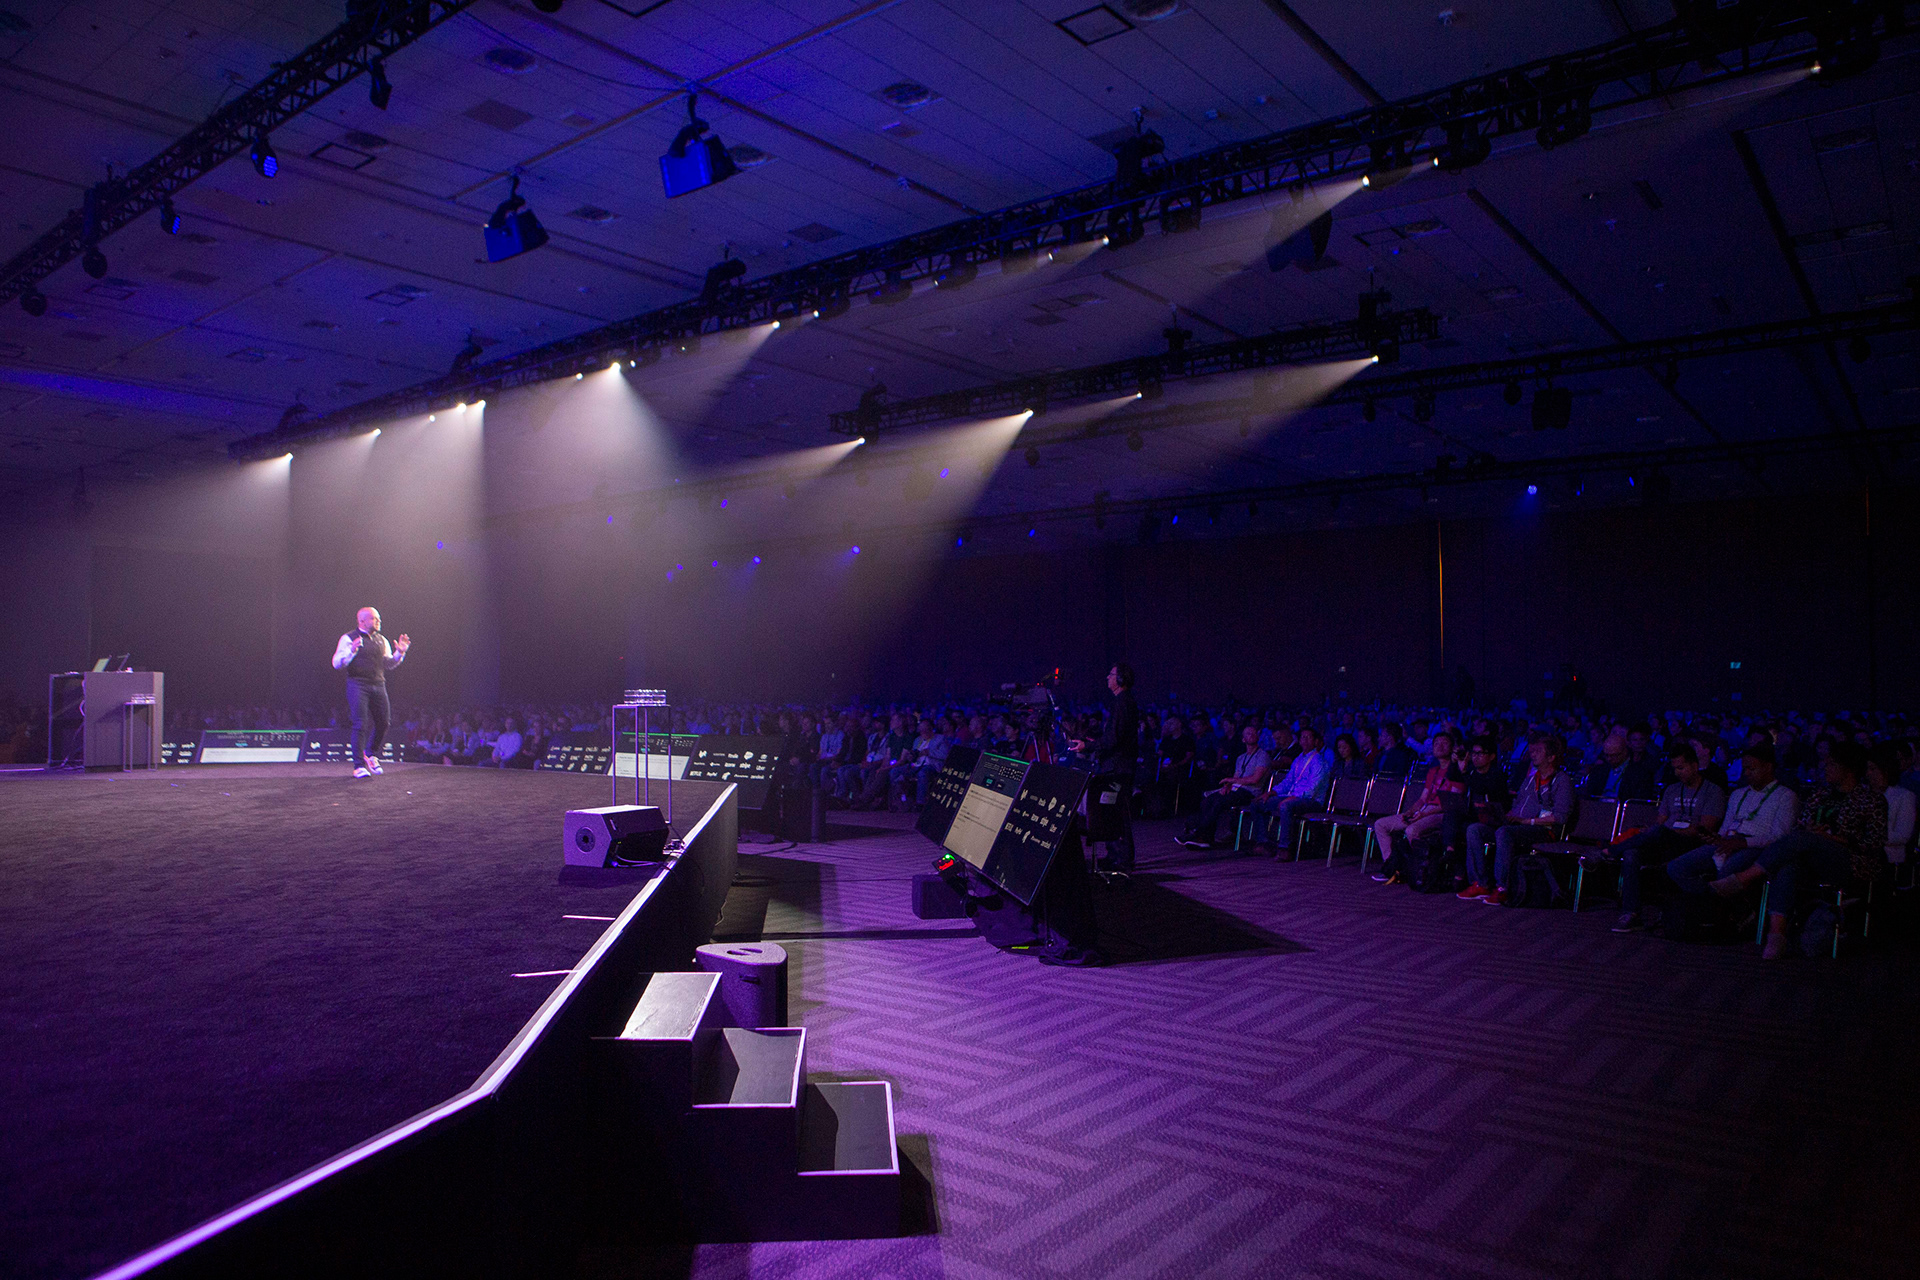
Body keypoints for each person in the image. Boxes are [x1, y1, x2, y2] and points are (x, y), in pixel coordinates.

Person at [1706, 741, 1886, 959]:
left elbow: (1873, 844)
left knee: (1802, 840)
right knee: (1788, 862)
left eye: (1831, 764)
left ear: (1847, 768)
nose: (1825, 768)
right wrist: (1812, 834)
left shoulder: (1871, 800)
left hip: (1850, 861)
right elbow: (1800, 827)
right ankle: (1776, 935)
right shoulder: (1820, 795)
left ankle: (1744, 878)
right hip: (1810, 857)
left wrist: (1830, 837)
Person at [1608, 743, 1726, 932]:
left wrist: (1664, 831)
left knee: (1658, 832)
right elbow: (1660, 821)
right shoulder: (1671, 790)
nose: (1677, 772)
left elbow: (1705, 829)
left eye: (1681, 768)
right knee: (1632, 853)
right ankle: (1631, 913)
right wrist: (1656, 831)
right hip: (1663, 841)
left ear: (1695, 766)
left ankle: (1610, 851)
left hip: (1691, 844)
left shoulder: (1713, 791)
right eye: (1674, 768)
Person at [1471, 736, 1575, 907]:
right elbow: (1518, 806)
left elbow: (1560, 817)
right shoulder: (1530, 780)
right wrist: (1502, 816)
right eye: (1532, 751)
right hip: (1518, 825)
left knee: (1504, 833)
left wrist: (1528, 821)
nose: (1532, 755)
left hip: (1543, 830)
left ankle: (1502, 888)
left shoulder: (1561, 781)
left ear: (1551, 757)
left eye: (1538, 751)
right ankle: (1481, 883)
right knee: (1475, 829)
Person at [1070, 663, 1140, 873]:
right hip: (1118, 765)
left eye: (1111, 674)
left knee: (1118, 813)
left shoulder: (1122, 703)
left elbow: (1114, 739)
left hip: (1118, 767)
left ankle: (1124, 859)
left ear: (1120, 679)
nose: (1107, 678)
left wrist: (1088, 745)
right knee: (1113, 812)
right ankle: (1115, 856)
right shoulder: (1123, 702)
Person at [1370, 729, 1463, 884]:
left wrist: (1422, 814)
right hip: (1423, 811)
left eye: (1444, 743)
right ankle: (1393, 867)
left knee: (1411, 830)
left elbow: (1449, 804)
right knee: (1381, 824)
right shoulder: (1433, 771)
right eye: (1436, 743)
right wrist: (1411, 811)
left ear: (1452, 748)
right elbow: (1423, 798)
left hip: (1442, 814)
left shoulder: (1456, 772)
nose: (1439, 746)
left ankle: (1418, 870)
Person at [330, 606, 409, 779]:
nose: (379, 621)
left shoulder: (382, 640)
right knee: (360, 723)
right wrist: (351, 651)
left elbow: (388, 663)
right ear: (362, 621)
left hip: (378, 684)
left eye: (379, 618)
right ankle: (358, 766)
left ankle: (370, 754)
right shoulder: (349, 638)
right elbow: (336, 663)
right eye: (375, 618)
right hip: (358, 684)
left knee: (384, 722)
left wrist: (399, 653)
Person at [1179, 724, 1269, 850]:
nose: (1252, 735)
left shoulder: (1262, 756)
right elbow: (1236, 777)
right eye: (1248, 733)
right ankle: (1206, 837)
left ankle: (1197, 832)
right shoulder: (1241, 758)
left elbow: (1255, 779)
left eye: (1254, 733)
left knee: (1219, 801)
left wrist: (1232, 780)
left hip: (1250, 792)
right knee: (1208, 799)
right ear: (1243, 739)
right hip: (1236, 789)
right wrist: (1228, 785)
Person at [1250, 725, 1333, 857]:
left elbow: (1313, 788)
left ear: (1315, 741)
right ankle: (1264, 842)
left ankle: (1285, 848)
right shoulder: (1299, 759)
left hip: (1311, 800)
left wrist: (1294, 797)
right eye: (1302, 738)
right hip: (1293, 796)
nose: (1305, 740)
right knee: (1257, 804)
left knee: (1286, 806)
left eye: (1308, 737)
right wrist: (1272, 792)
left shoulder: (1319, 761)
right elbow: (1288, 782)